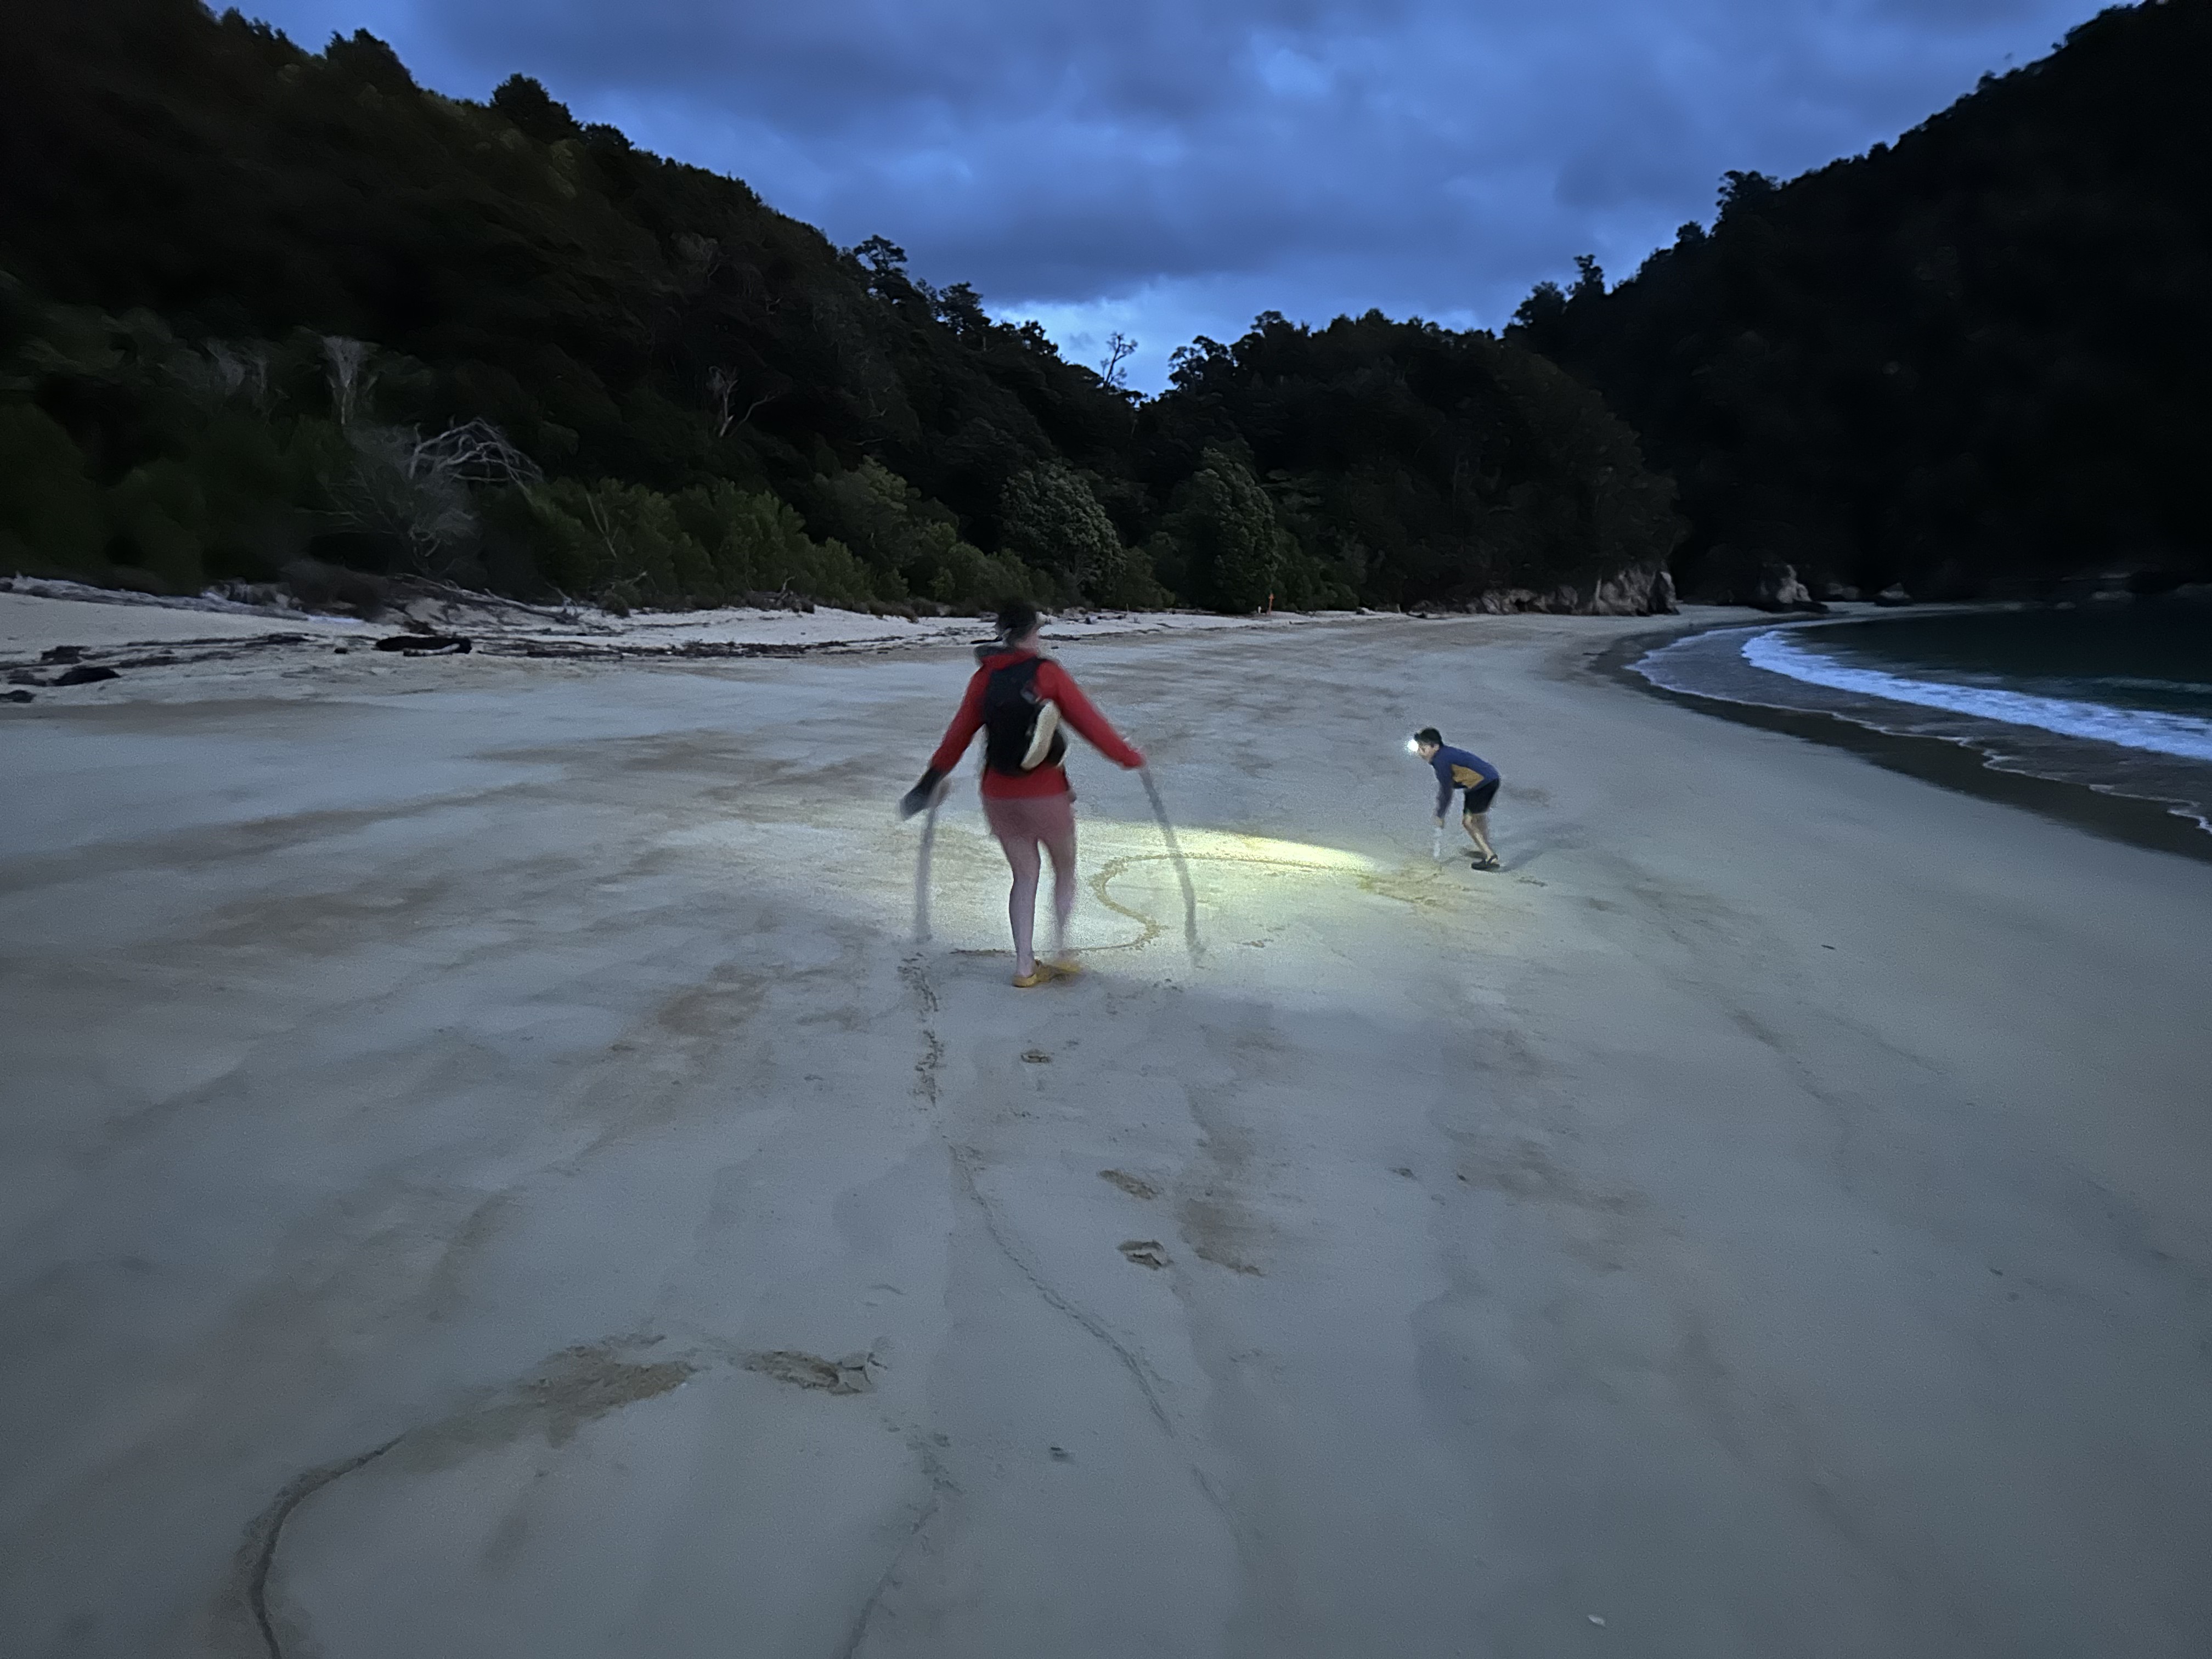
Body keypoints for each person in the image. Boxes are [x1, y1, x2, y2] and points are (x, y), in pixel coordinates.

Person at [903, 600, 1144, 986]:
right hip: (1046, 793)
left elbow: (956, 738)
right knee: (1064, 868)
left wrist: (928, 783)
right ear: (1032, 633)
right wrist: (1129, 758)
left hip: (998, 794)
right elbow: (1090, 724)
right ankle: (1062, 950)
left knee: (1024, 875)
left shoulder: (984, 679)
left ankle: (1023, 966)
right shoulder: (1047, 674)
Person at [1413, 726, 1502, 869]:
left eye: (1423, 748)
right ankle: (1484, 848)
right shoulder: (1446, 754)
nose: (1420, 752)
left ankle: (1491, 857)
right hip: (1489, 779)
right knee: (1478, 817)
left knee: (1468, 822)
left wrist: (1440, 814)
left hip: (1481, 785)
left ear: (1435, 747)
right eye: (1419, 748)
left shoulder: (1441, 761)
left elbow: (1446, 792)